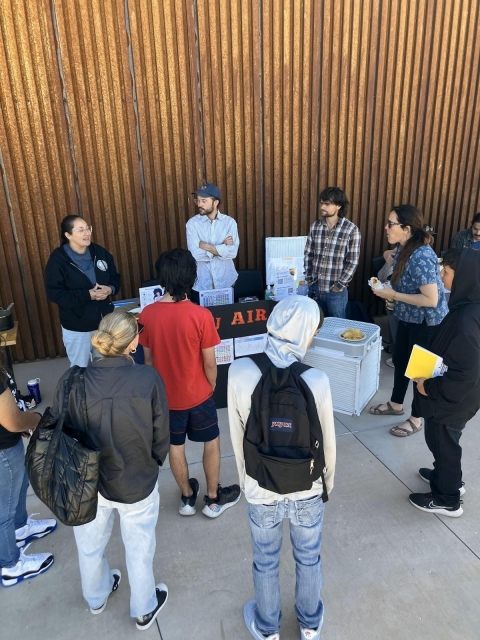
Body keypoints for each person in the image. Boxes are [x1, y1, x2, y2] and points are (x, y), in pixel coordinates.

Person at [51, 310, 170, 630]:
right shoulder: (147, 378)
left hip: (86, 484)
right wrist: (154, 463)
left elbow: (58, 431)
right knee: (139, 549)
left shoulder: (72, 379)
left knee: (89, 546)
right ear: (133, 344)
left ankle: (96, 597)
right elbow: (162, 437)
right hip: (137, 481)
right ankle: (144, 609)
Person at [227, 296, 336, 640]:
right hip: (307, 487)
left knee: (265, 560)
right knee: (308, 558)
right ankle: (309, 624)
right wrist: (326, 485)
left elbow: (236, 433)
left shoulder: (240, 370)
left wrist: (247, 482)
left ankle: (268, 627)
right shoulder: (316, 378)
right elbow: (328, 444)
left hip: (261, 487)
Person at [139, 248, 240, 518]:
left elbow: (147, 363)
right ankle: (213, 498)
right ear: (192, 278)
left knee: (175, 447)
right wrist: (210, 387)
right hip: (199, 395)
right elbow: (210, 363)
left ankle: (186, 498)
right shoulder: (200, 316)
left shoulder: (147, 315)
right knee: (212, 443)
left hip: (166, 399)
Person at [409, 248, 480, 517]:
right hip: (463, 399)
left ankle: (447, 498)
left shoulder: (466, 320)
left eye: (446, 272)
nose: (441, 275)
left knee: (443, 442)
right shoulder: (470, 306)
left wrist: (429, 387)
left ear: (464, 277)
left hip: (450, 401)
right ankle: (447, 477)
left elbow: (465, 373)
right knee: (448, 442)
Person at [370, 205, 448, 436]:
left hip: (426, 324)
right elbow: (391, 258)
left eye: (391, 224)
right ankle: (396, 404)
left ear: (406, 228)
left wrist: (392, 295)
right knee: (401, 362)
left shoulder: (421, 256)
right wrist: (388, 255)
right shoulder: (403, 246)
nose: (386, 227)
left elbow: (431, 299)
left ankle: (416, 418)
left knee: (419, 373)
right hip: (406, 318)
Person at [0, 352, 57, 587]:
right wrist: (35, 419)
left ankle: (21, 528)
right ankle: (10, 564)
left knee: (20, 485)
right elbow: (12, 420)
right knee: (4, 509)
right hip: (2, 450)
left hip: (8, 443)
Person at [45, 215, 121, 367]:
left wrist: (110, 289)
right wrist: (88, 295)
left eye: (88, 228)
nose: (87, 233)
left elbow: (115, 277)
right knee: (80, 370)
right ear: (68, 235)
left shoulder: (99, 252)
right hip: (77, 327)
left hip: (104, 324)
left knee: (106, 368)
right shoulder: (58, 260)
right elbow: (55, 294)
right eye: (81, 230)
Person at [304, 186, 361, 319]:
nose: (322, 206)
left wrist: (339, 285)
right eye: (321, 203)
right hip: (315, 289)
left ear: (338, 206)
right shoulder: (316, 226)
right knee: (315, 325)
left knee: (338, 328)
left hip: (335, 292)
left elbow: (352, 261)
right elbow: (308, 254)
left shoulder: (351, 230)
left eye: (327, 204)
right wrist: (309, 279)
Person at [186, 183, 239, 302]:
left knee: (225, 318)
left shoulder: (229, 223)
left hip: (226, 282)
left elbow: (233, 252)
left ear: (216, 202)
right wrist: (222, 247)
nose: (199, 204)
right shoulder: (192, 224)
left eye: (204, 201)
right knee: (203, 320)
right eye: (198, 201)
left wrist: (206, 246)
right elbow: (194, 254)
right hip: (202, 284)